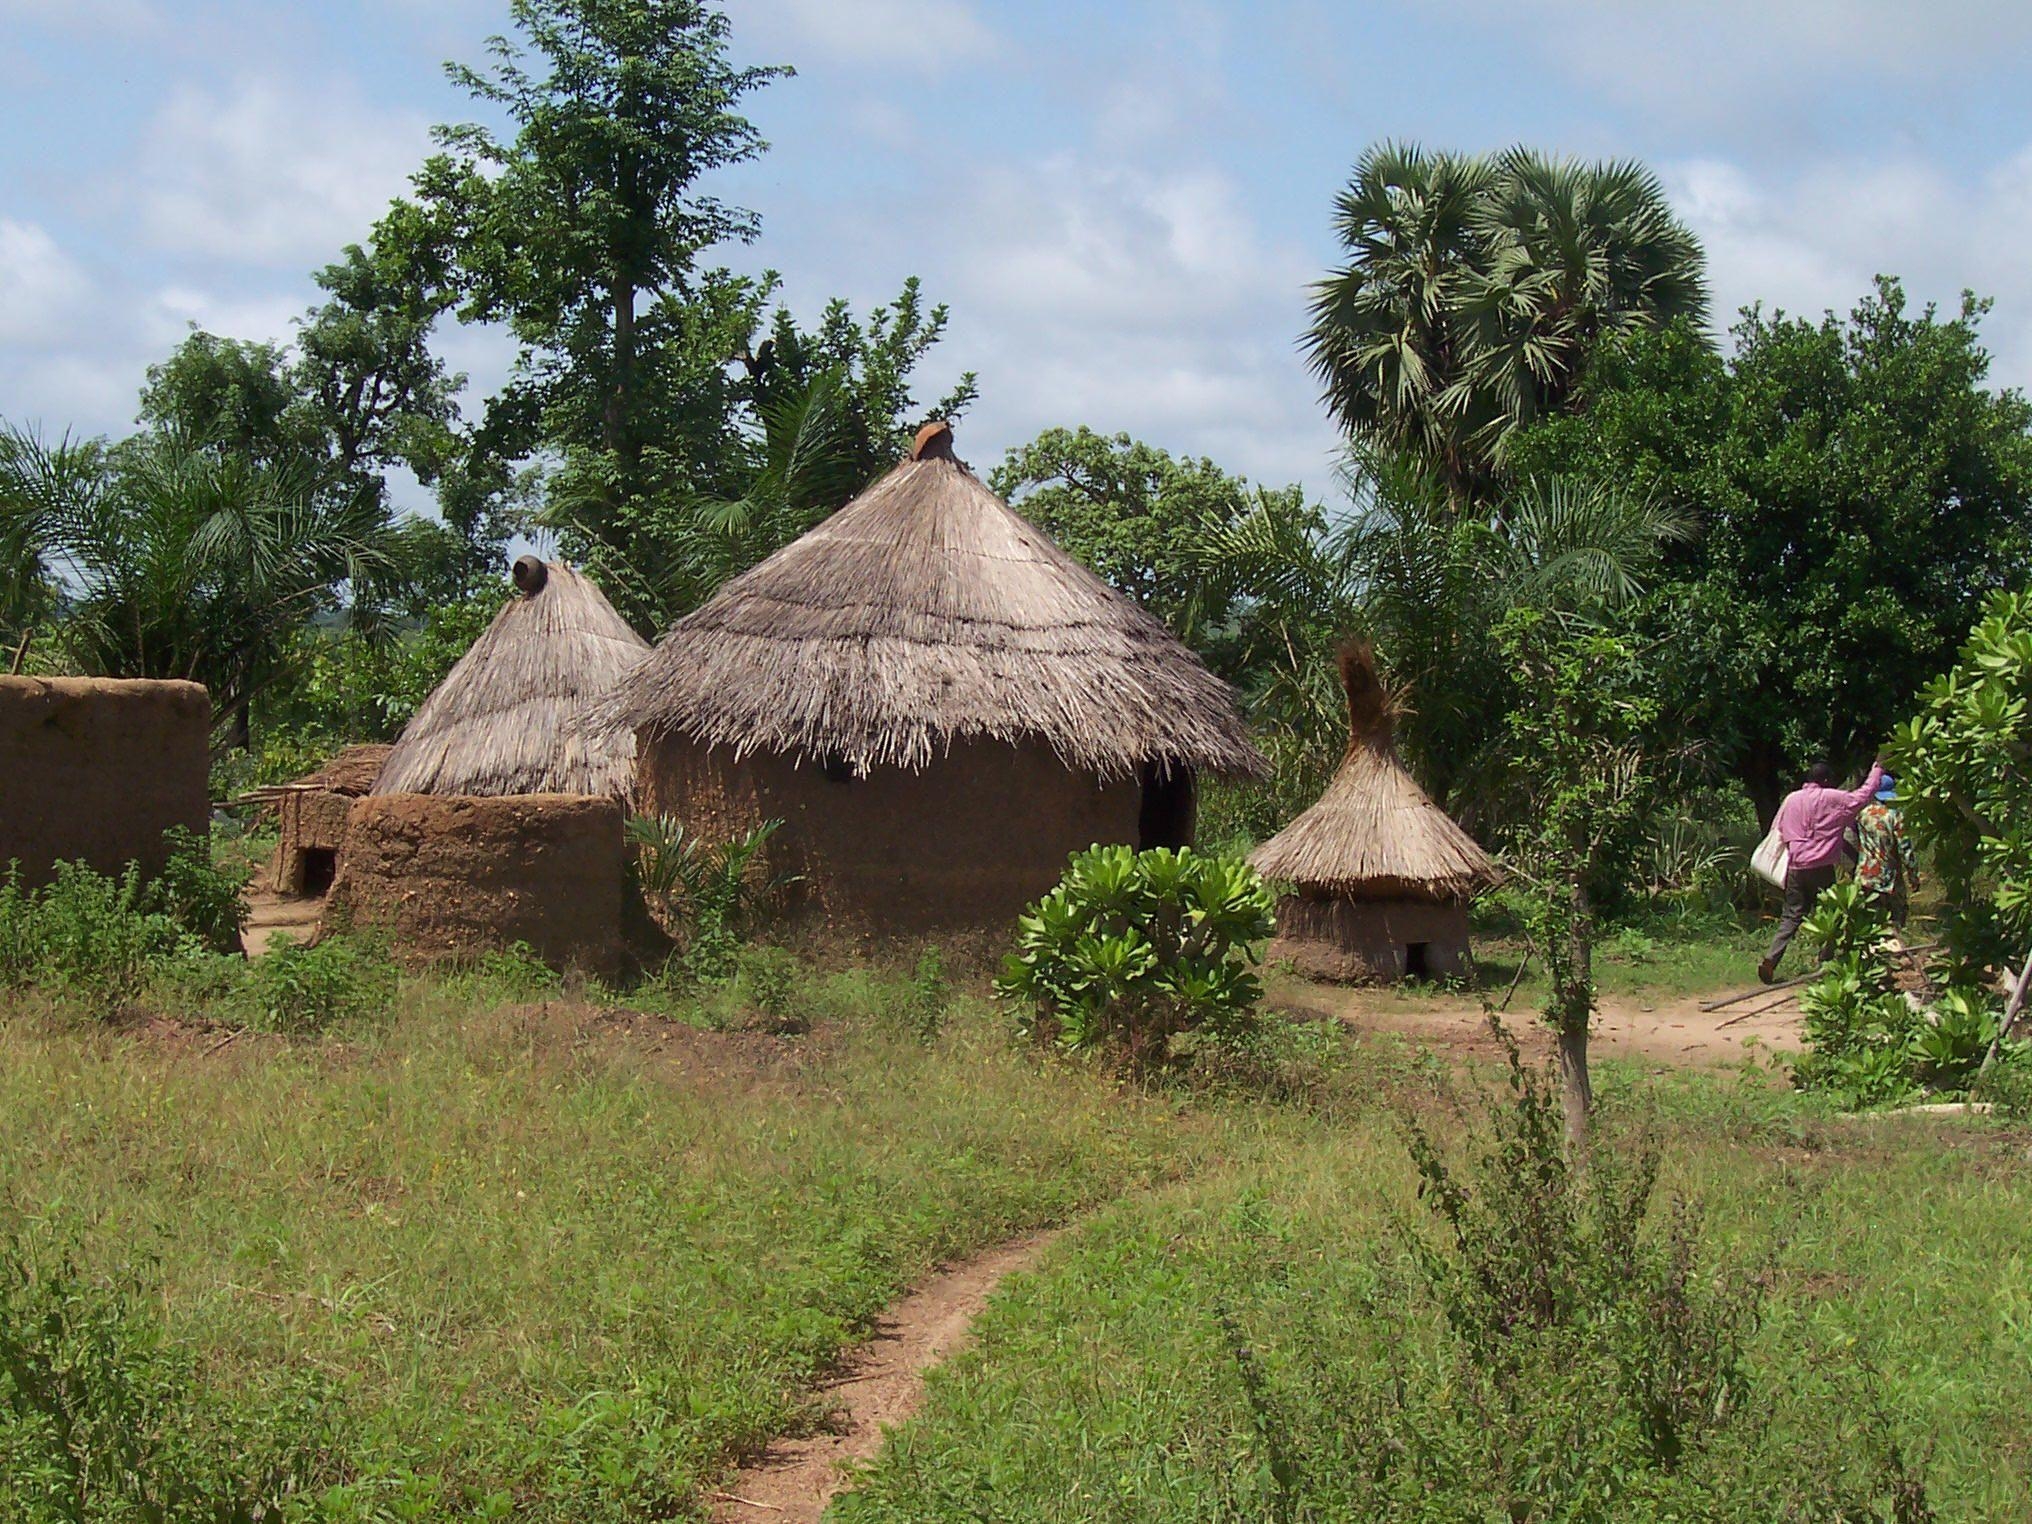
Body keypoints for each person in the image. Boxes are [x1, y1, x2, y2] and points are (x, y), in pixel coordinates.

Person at [1758, 757, 1885, 984]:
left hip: (1796, 868)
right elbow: (1863, 795)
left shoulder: (1791, 800)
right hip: (1822, 868)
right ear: (1826, 780)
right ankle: (1824, 962)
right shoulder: (1834, 798)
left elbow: (1777, 829)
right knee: (1830, 915)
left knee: (1791, 915)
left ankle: (1771, 957)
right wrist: (1877, 768)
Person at [1853, 771, 1918, 928]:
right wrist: (1913, 876)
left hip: (1865, 875)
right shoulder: (1894, 816)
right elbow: (1905, 849)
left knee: (1870, 922)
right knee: (1895, 919)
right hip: (1888, 878)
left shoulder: (1861, 814)